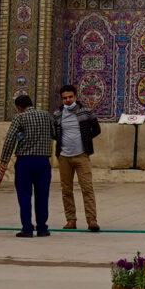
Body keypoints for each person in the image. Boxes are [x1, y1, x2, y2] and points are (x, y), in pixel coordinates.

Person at [0, 91, 56, 237]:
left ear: (19, 107)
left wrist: (3, 160)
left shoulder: (19, 117)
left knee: (24, 196)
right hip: (43, 161)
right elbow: (55, 134)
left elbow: (10, 140)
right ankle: (42, 228)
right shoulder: (46, 116)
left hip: (25, 161)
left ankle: (27, 228)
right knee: (42, 195)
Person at [54, 83, 103, 232]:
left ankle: (91, 220)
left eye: (70, 97)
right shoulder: (58, 114)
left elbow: (96, 129)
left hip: (81, 156)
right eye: (65, 98)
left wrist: (85, 141)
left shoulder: (86, 112)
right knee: (66, 190)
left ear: (75, 97)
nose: (68, 100)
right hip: (64, 157)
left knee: (87, 188)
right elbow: (54, 133)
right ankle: (71, 220)